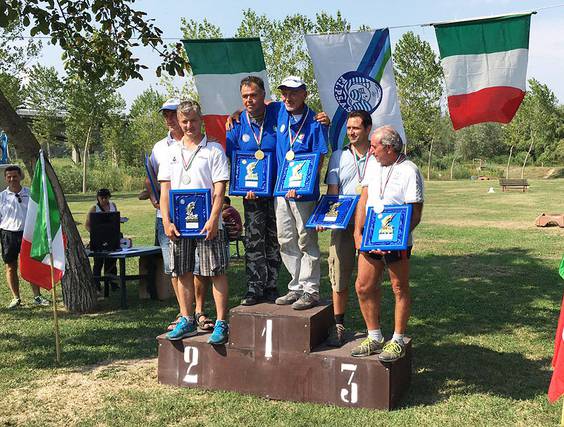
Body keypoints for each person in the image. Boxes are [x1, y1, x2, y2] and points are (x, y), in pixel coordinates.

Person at [158, 100, 230, 344]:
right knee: (183, 271)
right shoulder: (171, 152)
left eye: (193, 121)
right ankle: (186, 319)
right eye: (184, 121)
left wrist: (213, 219)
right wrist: (167, 221)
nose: (189, 126)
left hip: (208, 224)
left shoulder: (215, 150)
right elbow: (165, 191)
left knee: (215, 271)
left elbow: (219, 190)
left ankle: (221, 322)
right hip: (179, 224)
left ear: (202, 121)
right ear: (179, 122)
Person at [352, 125, 424, 362]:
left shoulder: (409, 170)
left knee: (399, 288)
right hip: (371, 237)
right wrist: (358, 232)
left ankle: (397, 340)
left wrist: (396, 241)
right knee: (363, 286)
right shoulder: (373, 164)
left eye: (374, 146)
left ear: (390, 148)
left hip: (397, 242)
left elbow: (415, 213)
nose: (370, 151)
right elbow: (364, 199)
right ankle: (374, 336)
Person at [146, 98, 213, 333]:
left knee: (199, 266)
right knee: (175, 266)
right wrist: (157, 203)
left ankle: (200, 311)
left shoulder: (204, 144)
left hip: (199, 215)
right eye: (164, 115)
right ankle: (183, 312)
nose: (169, 119)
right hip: (170, 218)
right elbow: (152, 178)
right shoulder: (159, 148)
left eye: (172, 114)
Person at [273, 76, 329, 310]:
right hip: (281, 191)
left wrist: (304, 184)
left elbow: (319, 159)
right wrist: (236, 113)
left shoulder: (316, 122)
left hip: (303, 193)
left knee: (306, 240)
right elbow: (254, 106)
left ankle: (310, 289)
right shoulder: (278, 113)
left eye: (294, 92)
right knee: (285, 239)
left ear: (305, 93)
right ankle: (295, 286)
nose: (288, 97)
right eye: (284, 92)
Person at [225, 76, 282, 305]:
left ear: (263, 96)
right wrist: (243, 186)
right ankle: (254, 287)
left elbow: (298, 106)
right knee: (253, 239)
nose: (249, 100)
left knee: (275, 240)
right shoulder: (236, 125)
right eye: (245, 96)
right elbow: (233, 159)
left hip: (278, 191)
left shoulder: (278, 113)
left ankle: (272, 285)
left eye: (254, 95)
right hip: (253, 195)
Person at [321, 110, 373, 346]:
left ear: (368, 129)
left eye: (356, 128)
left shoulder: (377, 155)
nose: (351, 132)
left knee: (368, 278)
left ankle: (373, 329)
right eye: (349, 128)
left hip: (370, 223)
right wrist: (327, 218)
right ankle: (339, 323)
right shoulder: (338, 157)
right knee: (338, 273)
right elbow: (333, 191)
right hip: (343, 223)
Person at [0, 165, 50, 308]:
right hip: (8, 234)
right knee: (10, 266)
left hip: (27, 234)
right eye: (9, 177)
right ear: (5, 178)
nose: (12, 179)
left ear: (20, 176)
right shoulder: (2, 197)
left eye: (14, 176)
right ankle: (16, 298)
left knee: (32, 265)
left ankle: (37, 296)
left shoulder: (30, 194)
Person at [84, 188, 119, 292]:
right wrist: (95, 234)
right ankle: (97, 284)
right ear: (98, 198)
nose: (104, 200)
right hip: (98, 239)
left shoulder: (113, 206)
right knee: (98, 262)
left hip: (112, 238)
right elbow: (87, 225)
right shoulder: (94, 208)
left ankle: (113, 283)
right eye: (101, 197)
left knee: (112, 261)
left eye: (106, 197)